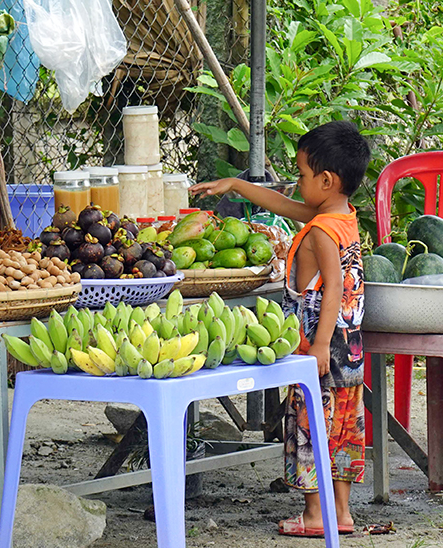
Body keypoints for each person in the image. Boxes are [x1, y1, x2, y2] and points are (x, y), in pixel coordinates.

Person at [189, 120, 370, 537]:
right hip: (353, 347)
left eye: (303, 175)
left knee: (309, 425)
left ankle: (313, 516)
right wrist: (235, 184)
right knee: (342, 426)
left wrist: (320, 343)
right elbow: (280, 205)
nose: (297, 183)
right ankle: (341, 512)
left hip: (319, 347)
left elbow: (335, 287)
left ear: (326, 180)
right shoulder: (341, 217)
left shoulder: (321, 231)